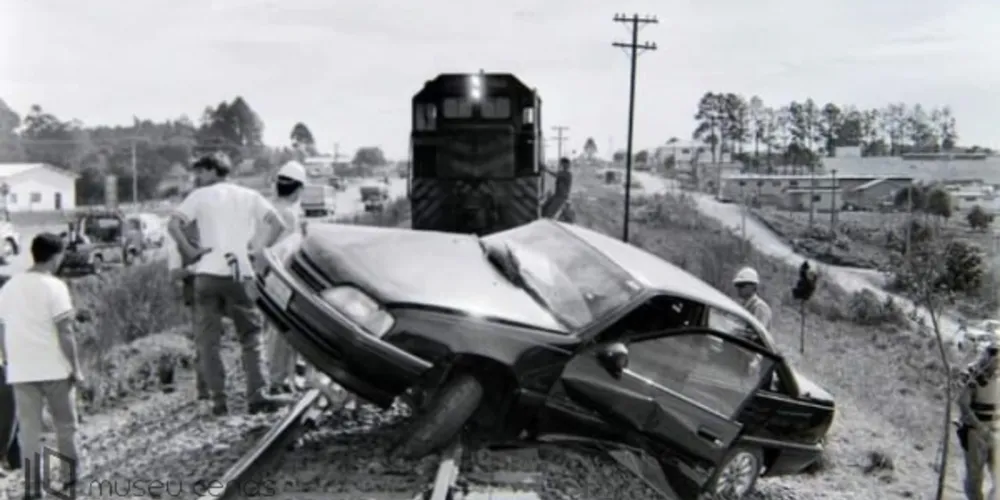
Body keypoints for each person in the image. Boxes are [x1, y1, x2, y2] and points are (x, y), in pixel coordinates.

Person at [168, 153, 291, 416]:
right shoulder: (248, 195)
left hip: (207, 273)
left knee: (208, 342)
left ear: (213, 171)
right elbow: (278, 224)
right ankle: (257, 396)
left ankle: (218, 401)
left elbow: (173, 224)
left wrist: (189, 251)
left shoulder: (200, 196)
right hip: (241, 272)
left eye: (200, 172)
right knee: (251, 337)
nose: (197, 178)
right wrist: (258, 251)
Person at [0, 234, 82, 497]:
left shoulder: (9, 287)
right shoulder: (55, 286)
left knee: (30, 432)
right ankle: (70, 483)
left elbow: (2, 328)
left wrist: (8, 359)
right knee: (65, 428)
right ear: (56, 256)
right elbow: (65, 331)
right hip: (55, 367)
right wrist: (76, 367)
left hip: (22, 370)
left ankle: (33, 488)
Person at [254, 160, 307, 394]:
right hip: (281, 278)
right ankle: (280, 379)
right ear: (298, 189)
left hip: (266, 275)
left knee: (276, 330)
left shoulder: (269, 209)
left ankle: (283, 376)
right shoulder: (290, 215)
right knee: (282, 331)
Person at [163, 217, 208, 400]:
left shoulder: (205, 242)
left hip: (212, 297)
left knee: (211, 343)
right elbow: (173, 275)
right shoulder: (176, 248)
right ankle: (204, 390)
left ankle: (211, 387)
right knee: (203, 343)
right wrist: (192, 270)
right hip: (195, 299)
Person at [956, 338, 1000, 500]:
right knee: (975, 478)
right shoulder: (972, 375)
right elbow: (963, 404)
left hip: (995, 432)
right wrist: (980, 427)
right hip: (975, 432)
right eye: (993, 354)